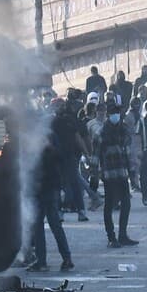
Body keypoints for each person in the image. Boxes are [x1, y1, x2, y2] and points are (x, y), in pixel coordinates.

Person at [29, 130, 73, 272]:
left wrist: (48, 148)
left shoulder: (47, 136)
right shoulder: (33, 136)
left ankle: (62, 259)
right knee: (41, 226)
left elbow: (60, 157)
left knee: (51, 224)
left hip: (48, 187)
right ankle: (45, 260)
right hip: (41, 187)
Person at [97, 103, 138, 248]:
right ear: (108, 115)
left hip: (122, 171)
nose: (116, 115)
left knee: (126, 203)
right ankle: (111, 237)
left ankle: (122, 235)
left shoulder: (123, 129)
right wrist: (97, 172)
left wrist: (132, 171)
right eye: (113, 113)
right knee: (109, 205)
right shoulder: (103, 131)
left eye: (118, 113)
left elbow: (128, 150)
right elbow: (97, 153)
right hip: (109, 173)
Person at [52, 98, 94, 221]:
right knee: (58, 184)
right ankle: (60, 212)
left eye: (61, 105)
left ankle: (81, 211)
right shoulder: (52, 122)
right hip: (56, 157)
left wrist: (86, 154)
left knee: (74, 183)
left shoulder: (70, 121)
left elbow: (78, 138)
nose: (59, 107)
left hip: (70, 156)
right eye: (57, 105)